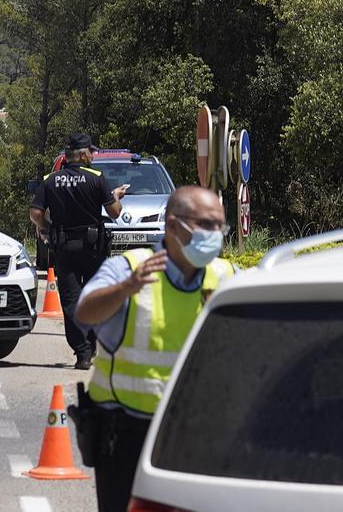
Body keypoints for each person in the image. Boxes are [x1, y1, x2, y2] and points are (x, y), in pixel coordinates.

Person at [73, 186, 238, 512]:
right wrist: (125, 289)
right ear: (173, 226)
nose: (215, 235)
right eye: (206, 225)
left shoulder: (227, 276)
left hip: (198, 432)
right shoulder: (130, 269)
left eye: (220, 226)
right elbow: (84, 313)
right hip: (127, 433)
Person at [30, 133, 127, 369]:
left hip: (64, 248)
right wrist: (115, 196)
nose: (93, 156)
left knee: (71, 301)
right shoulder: (96, 177)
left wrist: (46, 228)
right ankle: (92, 345)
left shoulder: (50, 179)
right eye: (91, 152)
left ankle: (82, 352)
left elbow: (35, 212)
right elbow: (114, 212)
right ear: (83, 155)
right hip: (93, 248)